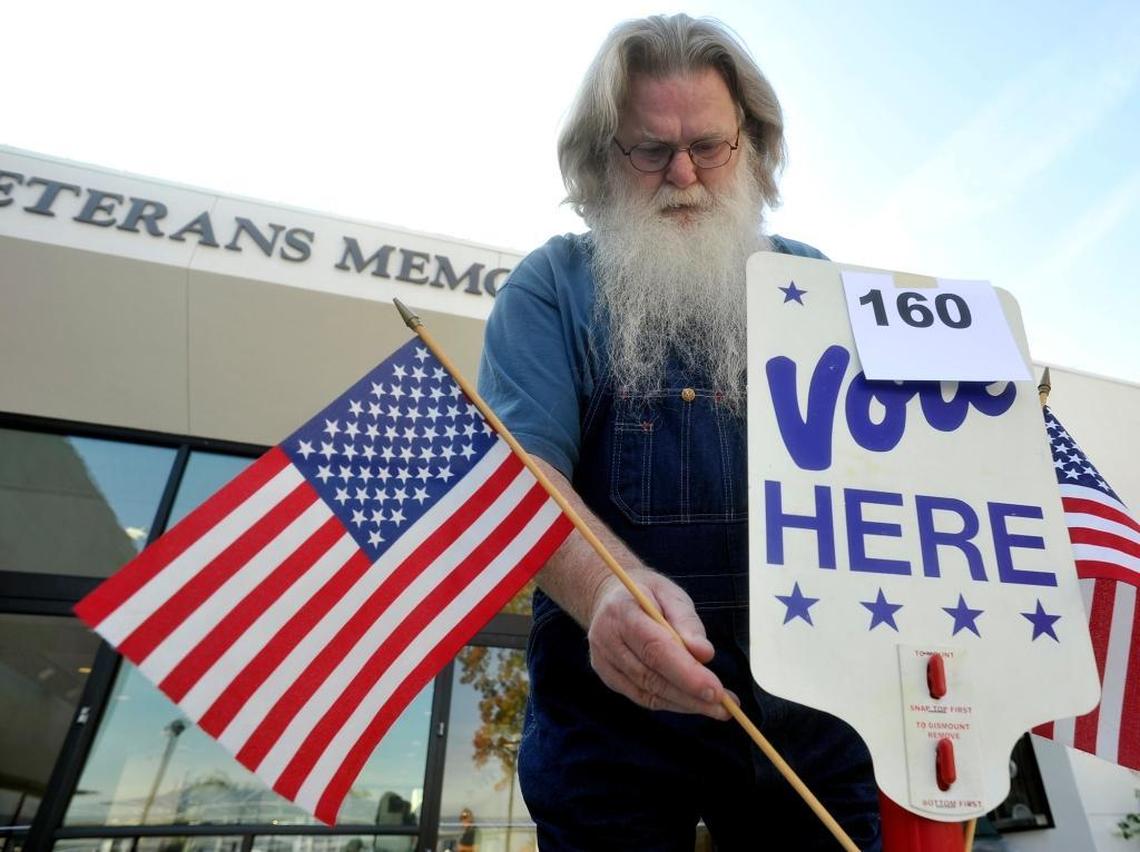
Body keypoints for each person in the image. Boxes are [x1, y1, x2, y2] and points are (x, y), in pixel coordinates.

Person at [478, 13, 880, 851]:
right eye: (651, 150)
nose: (685, 173)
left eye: (710, 145)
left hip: (814, 721)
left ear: (754, 148)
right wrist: (606, 590)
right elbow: (521, 479)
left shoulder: (812, 283)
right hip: (611, 723)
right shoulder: (551, 289)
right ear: (601, 161)